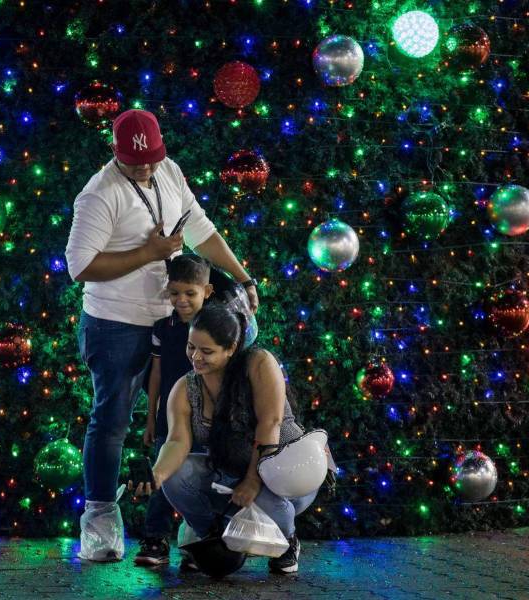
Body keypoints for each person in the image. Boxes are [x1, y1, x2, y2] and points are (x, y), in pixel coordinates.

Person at [65, 109, 259, 561]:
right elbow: (80, 267)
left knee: (185, 422)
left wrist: (243, 278)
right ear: (116, 155)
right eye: (137, 164)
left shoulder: (169, 171)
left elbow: (200, 230)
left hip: (173, 324)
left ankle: (188, 521)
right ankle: (100, 523)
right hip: (115, 324)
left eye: (153, 159)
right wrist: (147, 253)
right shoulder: (99, 195)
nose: (147, 169)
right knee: (111, 419)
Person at [147, 303, 332, 575]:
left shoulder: (258, 363)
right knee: (176, 477)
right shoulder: (186, 387)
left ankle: (287, 540)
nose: (195, 357)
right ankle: (216, 537)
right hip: (231, 476)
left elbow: (270, 423)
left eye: (206, 351)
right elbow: (177, 442)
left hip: (287, 475)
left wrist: (252, 481)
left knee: (265, 498)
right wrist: (157, 475)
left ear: (231, 348)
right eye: (191, 347)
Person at [135, 255, 213, 568]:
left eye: (190, 293)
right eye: (175, 293)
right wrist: (150, 416)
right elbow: (155, 373)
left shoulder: (216, 326)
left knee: (203, 477)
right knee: (163, 477)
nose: (181, 300)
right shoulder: (162, 328)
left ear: (206, 291)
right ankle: (155, 538)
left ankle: (200, 543)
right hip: (169, 416)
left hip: (206, 419)